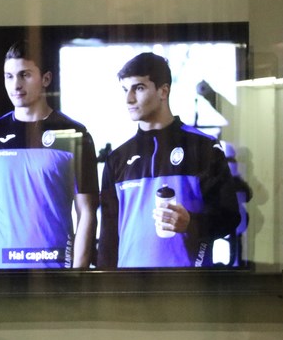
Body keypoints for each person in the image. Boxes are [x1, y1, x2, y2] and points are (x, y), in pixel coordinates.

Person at [98, 52, 241, 268]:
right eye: (125, 90)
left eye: (138, 88)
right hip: (130, 284)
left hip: (189, 283)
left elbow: (230, 218)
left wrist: (192, 223)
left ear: (163, 91)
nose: (129, 99)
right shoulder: (117, 158)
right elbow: (108, 239)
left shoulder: (203, 147)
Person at [0, 40, 98, 269]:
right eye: (9, 76)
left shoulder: (74, 135)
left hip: (56, 272)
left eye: (24, 75)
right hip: (1, 273)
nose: (16, 85)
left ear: (45, 79)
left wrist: (78, 276)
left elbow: (86, 210)